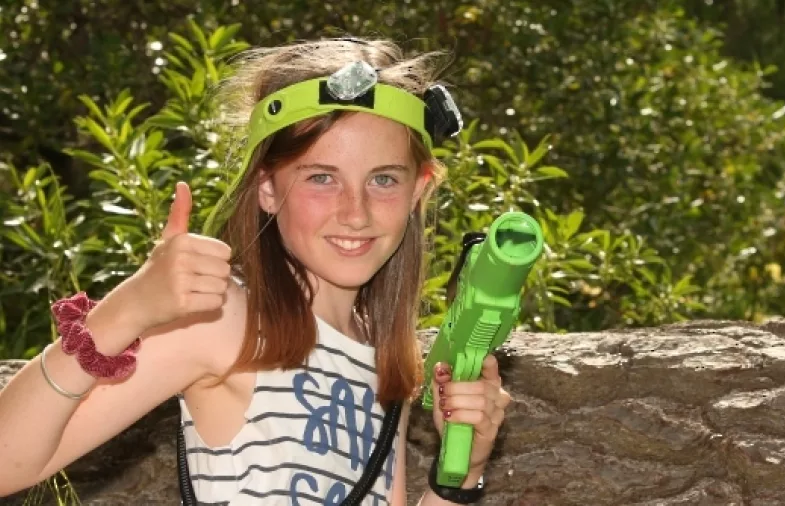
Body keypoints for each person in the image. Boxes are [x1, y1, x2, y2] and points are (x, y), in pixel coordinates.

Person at [0, 37, 511, 505]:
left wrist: (462, 471)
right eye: (321, 177)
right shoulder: (226, 320)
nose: (355, 211)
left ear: (418, 190)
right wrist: (124, 313)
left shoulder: (382, 356)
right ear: (267, 187)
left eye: (382, 179)